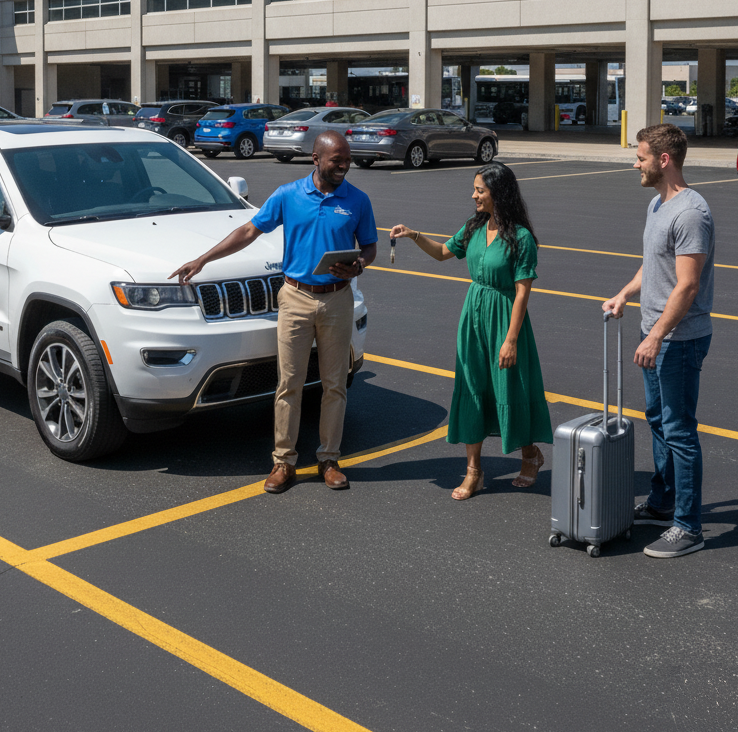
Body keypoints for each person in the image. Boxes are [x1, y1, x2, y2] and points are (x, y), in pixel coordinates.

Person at [170, 131, 377, 493]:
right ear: (316, 159)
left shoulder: (357, 200)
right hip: (295, 298)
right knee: (289, 384)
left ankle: (329, 459)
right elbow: (250, 230)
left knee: (335, 385)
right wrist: (203, 259)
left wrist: (358, 264)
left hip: (337, 299)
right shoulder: (288, 195)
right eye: (337, 159)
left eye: (347, 158)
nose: (345, 165)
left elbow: (370, 247)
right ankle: (284, 462)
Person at [390, 161, 552, 499]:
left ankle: (529, 455)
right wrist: (414, 234)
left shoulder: (521, 238)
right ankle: (474, 471)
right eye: (475, 189)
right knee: (472, 385)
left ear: (499, 193)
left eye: (480, 190)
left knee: (512, 387)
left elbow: (523, 291)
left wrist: (511, 340)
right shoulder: (473, 227)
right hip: (474, 316)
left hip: (505, 318)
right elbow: (442, 253)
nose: (473, 195)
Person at [602, 124, 714, 558]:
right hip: (655, 332)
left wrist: (657, 336)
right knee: (658, 421)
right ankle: (664, 502)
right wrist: (624, 294)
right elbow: (653, 265)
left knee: (680, 430)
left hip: (678, 339)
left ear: (663, 160)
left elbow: (686, 286)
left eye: (641, 156)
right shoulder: (657, 205)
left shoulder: (691, 213)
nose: (636, 163)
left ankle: (689, 527)